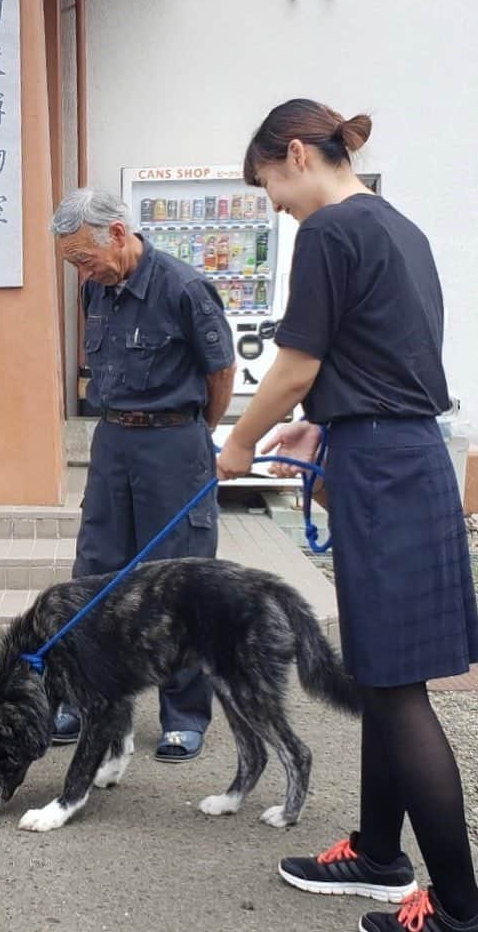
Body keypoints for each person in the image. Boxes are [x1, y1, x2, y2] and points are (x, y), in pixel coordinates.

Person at [218, 99, 478, 932]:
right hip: (405, 457)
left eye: (270, 188)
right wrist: (327, 420)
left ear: (296, 153)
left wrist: (239, 445)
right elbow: (378, 355)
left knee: (398, 689)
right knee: (379, 671)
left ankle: (459, 910)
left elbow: (295, 364)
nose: (277, 207)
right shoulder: (399, 225)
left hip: (385, 474)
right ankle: (376, 853)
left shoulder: (330, 231)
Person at [49, 188, 235, 758]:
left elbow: (220, 372)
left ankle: (184, 714)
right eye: (73, 261)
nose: (82, 269)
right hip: (113, 443)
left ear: (119, 235)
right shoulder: (93, 292)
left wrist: (194, 434)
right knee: (95, 572)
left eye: (85, 256)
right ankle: (86, 699)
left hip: (174, 442)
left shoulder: (183, 287)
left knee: (177, 579)